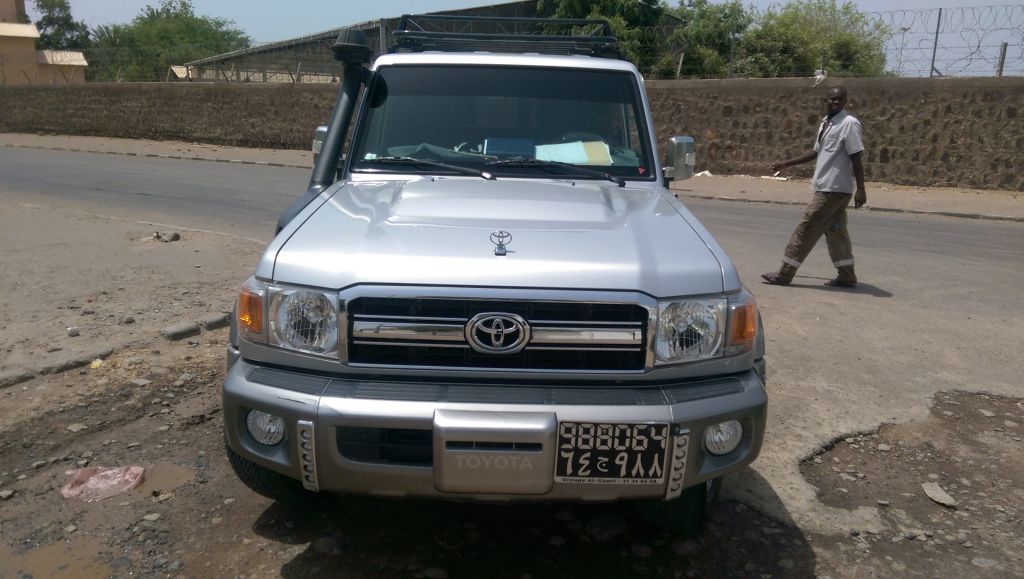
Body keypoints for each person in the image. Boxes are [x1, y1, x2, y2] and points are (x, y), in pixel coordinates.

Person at [761, 85, 866, 288]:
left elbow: (856, 157)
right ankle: (847, 275)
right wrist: (787, 163)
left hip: (834, 188)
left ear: (846, 101)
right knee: (836, 232)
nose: (836, 102)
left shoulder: (849, 124)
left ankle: (784, 273)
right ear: (825, 100)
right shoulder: (826, 123)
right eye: (833, 99)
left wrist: (861, 189)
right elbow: (817, 152)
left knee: (806, 227)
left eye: (840, 99)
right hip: (825, 185)